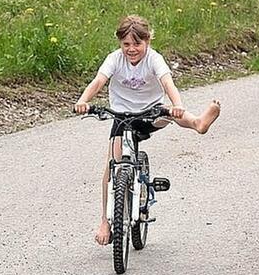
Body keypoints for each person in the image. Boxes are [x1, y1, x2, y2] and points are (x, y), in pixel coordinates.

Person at [73, 15, 221, 245]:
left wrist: (178, 105)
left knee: (168, 112)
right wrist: (83, 101)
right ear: (119, 43)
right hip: (121, 117)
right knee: (111, 166)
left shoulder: (154, 59)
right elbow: (98, 82)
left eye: (137, 44)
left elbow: (167, 83)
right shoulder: (114, 59)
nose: (131, 49)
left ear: (148, 42)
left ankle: (198, 123)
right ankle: (105, 220)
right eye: (126, 45)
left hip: (149, 113)